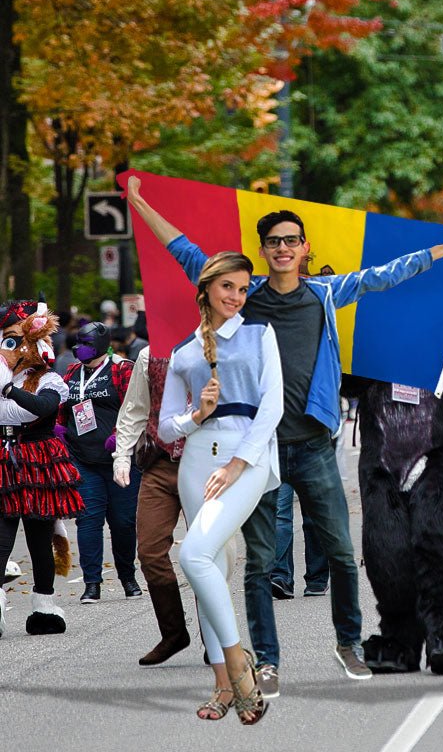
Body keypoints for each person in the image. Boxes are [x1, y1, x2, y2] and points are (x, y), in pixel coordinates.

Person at [127, 175, 443, 695]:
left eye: (292, 240)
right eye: (274, 242)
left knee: (340, 552)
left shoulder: (324, 294)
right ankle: (267, 661)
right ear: (263, 251)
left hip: (313, 446)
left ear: (305, 248)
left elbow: (383, 276)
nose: (283, 248)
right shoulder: (244, 296)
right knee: (261, 564)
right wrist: (139, 202)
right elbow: (186, 253)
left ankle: (349, 643)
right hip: (258, 449)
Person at [159, 250, 280, 723]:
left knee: (193, 555)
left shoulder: (259, 333)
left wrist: (236, 464)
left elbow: (272, 406)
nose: (236, 296)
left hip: (245, 458)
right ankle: (222, 687)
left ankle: (238, 667)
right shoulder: (184, 352)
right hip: (196, 461)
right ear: (207, 287)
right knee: (210, 568)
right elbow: (166, 428)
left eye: (243, 288)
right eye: (228, 286)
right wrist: (197, 415)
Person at [0, 299, 81, 637]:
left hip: (37, 461)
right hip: (4, 460)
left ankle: (44, 606)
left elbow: (42, 408)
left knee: (39, 539)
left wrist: (8, 390)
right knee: (2, 537)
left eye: (13, 341)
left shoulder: (49, 379)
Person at [112, 347, 192, 665]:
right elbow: (134, 410)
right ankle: (174, 633)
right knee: (149, 551)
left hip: (203, 464)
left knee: (206, 554)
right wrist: (121, 456)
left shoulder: (218, 346)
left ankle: (216, 637)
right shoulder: (149, 355)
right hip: (159, 464)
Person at [60, 322, 141, 604]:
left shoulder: (122, 369)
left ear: (101, 344)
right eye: (78, 342)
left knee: (123, 522)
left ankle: (128, 577)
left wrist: (120, 437)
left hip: (120, 459)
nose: (79, 348)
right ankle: (92, 583)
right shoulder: (72, 372)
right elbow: (63, 407)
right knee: (88, 520)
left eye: (86, 343)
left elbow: (136, 407)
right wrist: (60, 428)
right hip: (83, 459)